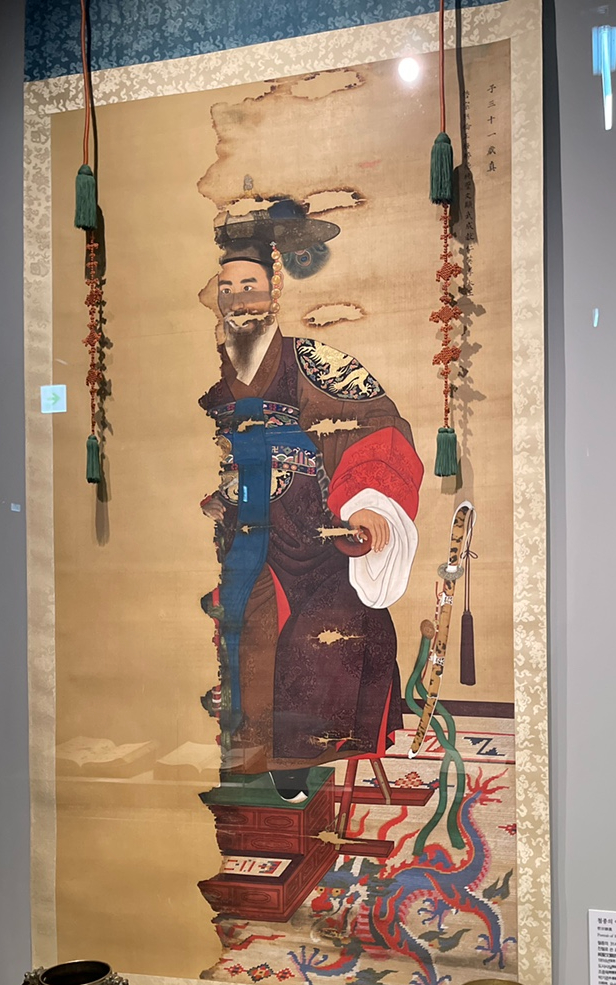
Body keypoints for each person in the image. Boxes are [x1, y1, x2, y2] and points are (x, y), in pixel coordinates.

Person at [199, 200, 423, 800]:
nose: (239, 300)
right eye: (227, 289)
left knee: (321, 638)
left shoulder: (314, 361)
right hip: (248, 532)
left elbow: (378, 424)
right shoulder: (217, 372)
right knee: (245, 636)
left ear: (274, 292)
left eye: (250, 286)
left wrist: (368, 501)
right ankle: (252, 757)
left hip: (317, 534)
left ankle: (296, 760)